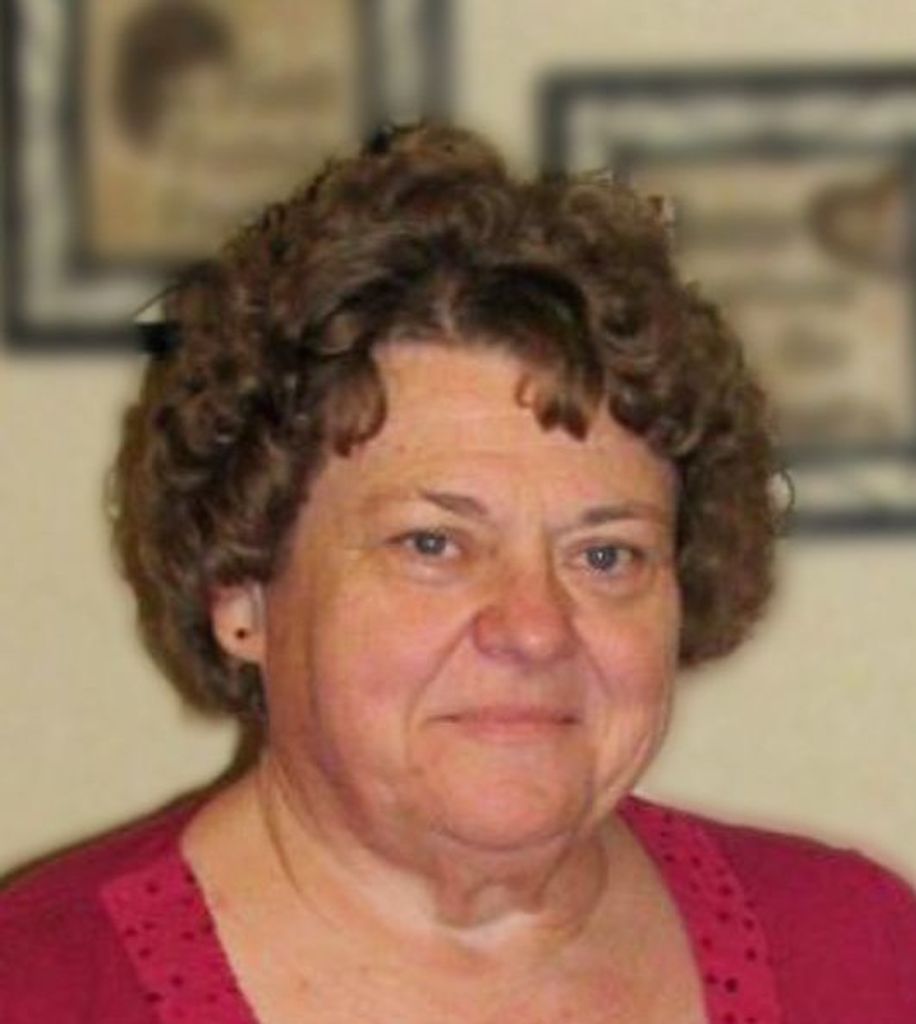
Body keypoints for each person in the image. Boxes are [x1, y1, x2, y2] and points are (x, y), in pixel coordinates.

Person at [2, 124, 914, 1023]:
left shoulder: (861, 954)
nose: (534, 628)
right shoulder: (41, 990)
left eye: (605, 556)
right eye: (433, 545)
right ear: (242, 590)